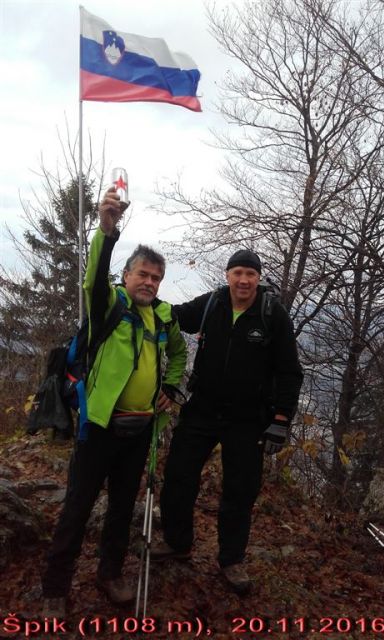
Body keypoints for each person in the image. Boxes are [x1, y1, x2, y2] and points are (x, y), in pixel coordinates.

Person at [42, 187, 187, 617]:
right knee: (77, 507)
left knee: (123, 509)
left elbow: (178, 354)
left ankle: (110, 573)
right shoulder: (110, 303)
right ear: (126, 275)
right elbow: (91, 278)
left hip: (142, 428)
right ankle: (55, 587)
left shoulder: (162, 316)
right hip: (100, 427)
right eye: (143, 274)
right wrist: (106, 229)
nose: (149, 282)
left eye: (156, 278)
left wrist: (173, 388)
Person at [153, 249, 303, 594]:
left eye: (250, 274)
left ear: (258, 278)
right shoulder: (212, 304)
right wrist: (139, 296)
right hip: (202, 408)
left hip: (249, 418)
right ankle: (178, 542)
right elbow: (173, 316)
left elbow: (290, 371)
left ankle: (231, 560)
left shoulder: (272, 314)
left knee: (240, 490)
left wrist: (281, 419)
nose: (244, 280)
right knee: (178, 476)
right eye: (237, 273)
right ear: (227, 275)